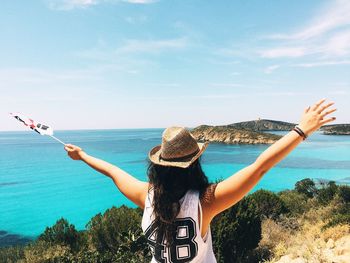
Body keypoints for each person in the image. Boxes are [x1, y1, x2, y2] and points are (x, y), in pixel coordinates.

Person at [64, 99, 336, 262]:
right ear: (194, 163)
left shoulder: (145, 196)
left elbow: (112, 171)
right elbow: (260, 167)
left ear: (158, 166)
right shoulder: (205, 201)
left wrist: (83, 155)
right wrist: (301, 130)